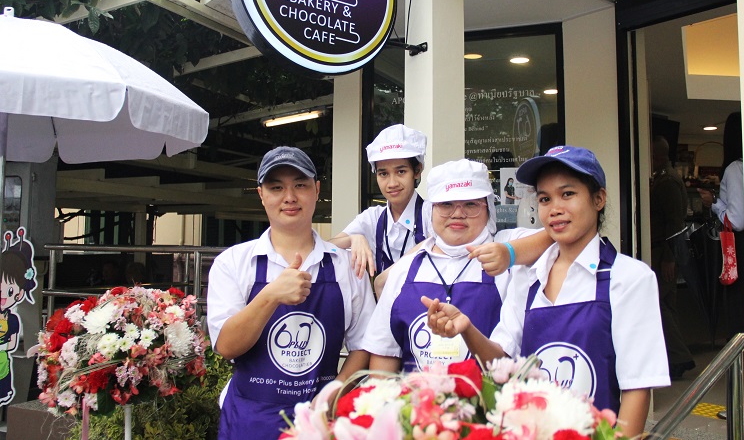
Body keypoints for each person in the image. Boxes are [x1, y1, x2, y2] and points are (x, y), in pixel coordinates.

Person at [424, 146, 669, 438]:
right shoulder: (527, 278)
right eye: (544, 198)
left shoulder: (628, 278)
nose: (555, 208)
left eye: (568, 194)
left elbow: (637, 388)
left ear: (598, 199)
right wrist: (467, 329)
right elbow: (501, 364)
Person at [207, 146, 376, 440]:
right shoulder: (233, 263)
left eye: (300, 185)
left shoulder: (345, 266)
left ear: (317, 190)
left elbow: (364, 345)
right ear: (261, 194)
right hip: (249, 421)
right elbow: (226, 347)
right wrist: (270, 295)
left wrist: (332, 399)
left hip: (321, 420)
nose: (290, 197)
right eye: (276, 187)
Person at [364, 159, 552, 373]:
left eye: (471, 204)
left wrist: (508, 253)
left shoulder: (511, 251)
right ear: (430, 210)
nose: (457, 213)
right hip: (414, 404)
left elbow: (557, 235)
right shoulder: (406, 268)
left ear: (488, 208)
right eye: (446, 204)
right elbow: (384, 356)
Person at [330, 124, 431, 280]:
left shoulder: (432, 214)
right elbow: (328, 247)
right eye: (383, 173)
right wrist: (353, 238)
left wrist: (382, 281)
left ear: (417, 171)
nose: (392, 183)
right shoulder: (372, 218)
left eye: (401, 172)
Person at [697, 112, 744, 420]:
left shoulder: (735, 168)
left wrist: (713, 202)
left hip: (739, 256)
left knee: (739, 327)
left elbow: (736, 220)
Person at [650, 136, 695, 379]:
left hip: (662, 252)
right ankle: (675, 358)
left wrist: (669, 257)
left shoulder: (666, 182)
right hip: (663, 251)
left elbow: (674, 223)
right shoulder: (664, 177)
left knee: (659, 305)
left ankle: (679, 358)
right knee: (666, 305)